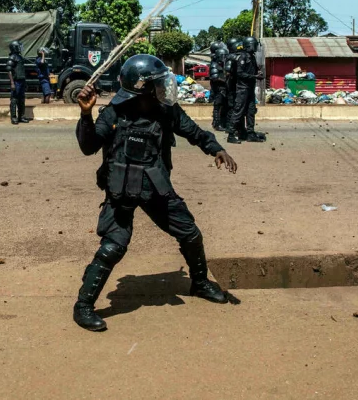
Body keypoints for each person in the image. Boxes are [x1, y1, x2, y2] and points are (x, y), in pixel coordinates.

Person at [72, 54, 238, 332]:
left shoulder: (166, 110)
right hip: (121, 192)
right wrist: (86, 114)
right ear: (142, 88)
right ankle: (83, 306)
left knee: (190, 233)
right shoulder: (114, 112)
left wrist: (217, 149)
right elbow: (88, 146)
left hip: (156, 190)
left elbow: (195, 133)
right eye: (158, 84)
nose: (164, 88)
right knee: (113, 247)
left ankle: (200, 283)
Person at [208, 41, 229, 131]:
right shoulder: (214, 64)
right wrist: (225, 80)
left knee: (223, 106)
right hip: (218, 89)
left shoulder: (219, 64)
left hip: (222, 89)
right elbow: (215, 77)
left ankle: (221, 123)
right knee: (218, 107)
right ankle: (217, 124)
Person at [7, 40, 29, 124]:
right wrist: (12, 83)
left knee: (22, 99)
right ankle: (13, 117)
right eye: (18, 46)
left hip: (22, 80)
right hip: (16, 81)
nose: (20, 48)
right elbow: (9, 70)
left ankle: (21, 116)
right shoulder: (12, 57)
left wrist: (25, 82)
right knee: (14, 99)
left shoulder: (19, 56)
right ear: (15, 47)